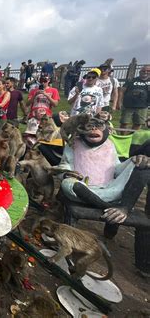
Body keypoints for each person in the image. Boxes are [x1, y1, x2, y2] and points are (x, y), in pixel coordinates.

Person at [57, 116, 150, 275]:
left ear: (107, 130)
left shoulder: (109, 145)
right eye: (89, 127)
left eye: (98, 126)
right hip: (82, 189)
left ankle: (120, 208)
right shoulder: (74, 144)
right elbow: (65, 165)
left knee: (142, 166)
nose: (93, 129)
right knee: (67, 184)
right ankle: (108, 208)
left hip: (111, 188)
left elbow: (117, 169)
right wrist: (67, 172)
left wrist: (133, 161)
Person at [119, 65, 150, 131]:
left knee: (138, 123)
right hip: (128, 105)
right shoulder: (131, 80)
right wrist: (119, 102)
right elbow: (122, 91)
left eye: (148, 71)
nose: (146, 72)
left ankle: (132, 137)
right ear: (139, 72)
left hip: (143, 106)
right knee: (124, 122)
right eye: (143, 71)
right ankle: (123, 137)